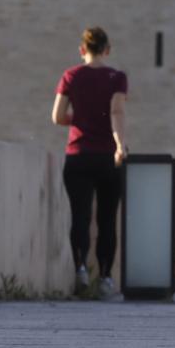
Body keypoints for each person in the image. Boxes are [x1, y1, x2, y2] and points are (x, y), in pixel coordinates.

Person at [51, 27, 128, 300]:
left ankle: (81, 268)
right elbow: (117, 113)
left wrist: (81, 117)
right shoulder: (116, 78)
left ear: (82, 50)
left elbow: (57, 116)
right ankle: (106, 277)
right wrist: (120, 145)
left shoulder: (71, 76)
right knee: (107, 219)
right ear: (107, 50)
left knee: (80, 216)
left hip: (78, 155)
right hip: (107, 156)